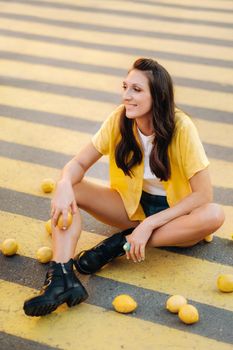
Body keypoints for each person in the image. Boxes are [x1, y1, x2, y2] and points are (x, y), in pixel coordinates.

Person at [23, 58, 225, 316]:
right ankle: (62, 277)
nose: (126, 96)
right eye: (125, 87)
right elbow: (79, 163)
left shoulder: (181, 127)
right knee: (72, 188)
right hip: (132, 207)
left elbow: (203, 195)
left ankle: (119, 244)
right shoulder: (120, 120)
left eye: (136, 90)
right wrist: (63, 183)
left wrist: (148, 225)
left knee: (215, 213)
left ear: (158, 96)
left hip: (177, 218)